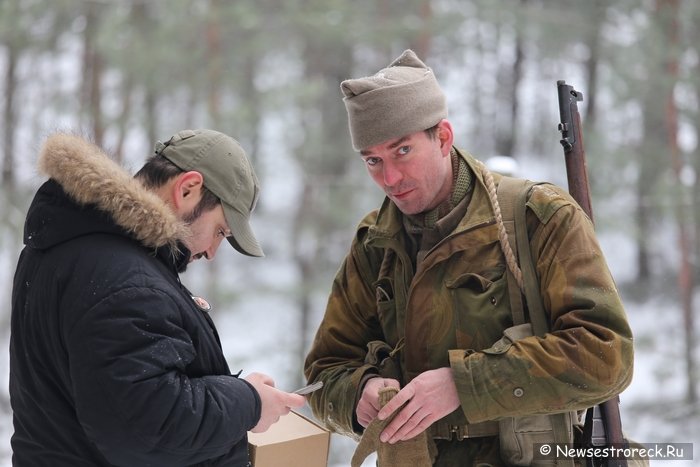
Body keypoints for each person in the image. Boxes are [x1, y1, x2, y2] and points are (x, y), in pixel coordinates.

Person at [303, 50, 634, 465]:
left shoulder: (537, 218)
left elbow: (606, 355)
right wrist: (358, 394)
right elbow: (324, 372)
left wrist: (465, 384)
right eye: (373, 160)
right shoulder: (375, 244)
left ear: (443, 137)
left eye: (402, 151)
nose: (388, 179)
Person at [10, 129, 306, 466]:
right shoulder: (123, 281)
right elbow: (148, 429)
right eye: (220, 231)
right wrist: (249, 403)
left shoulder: (77, 248)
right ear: (187, 188)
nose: (211, 251)